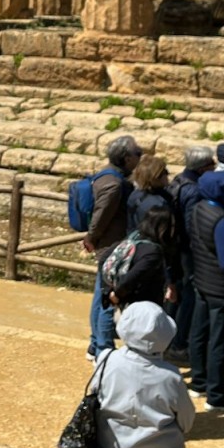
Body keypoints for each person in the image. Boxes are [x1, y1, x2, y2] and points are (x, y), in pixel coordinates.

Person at [94, 301, 196, 448]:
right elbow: (186, 421)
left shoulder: (106, 359)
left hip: (110, 443)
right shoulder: (171, 376)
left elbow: (96, 396)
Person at [187, 170, 224, 411]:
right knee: (219, 341)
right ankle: (216, 394)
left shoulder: (198, 208)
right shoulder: (222, 219)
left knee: (199, 334)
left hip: (201, 281)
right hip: (221, 288)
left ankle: (198, 381)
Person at [84, 135, 143, 361]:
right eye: (138, 154)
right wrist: (91, 237)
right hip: (112, 248)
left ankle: (95, 344)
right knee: (109, 299)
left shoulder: (109, 176)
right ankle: (103, 349)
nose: (140, 157)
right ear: (127, 158)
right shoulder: (115, 183)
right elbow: (101, 214)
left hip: (108, 245)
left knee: (100, 295)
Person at [164, 145, 216, 361]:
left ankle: (166, 337)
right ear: (203, 167)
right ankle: (178, 342)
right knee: (187, 297)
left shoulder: (178, 180)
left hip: (174, 248)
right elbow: (190, 225)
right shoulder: (193, 190)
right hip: (187, 251)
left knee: (175, 293)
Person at [104, 206, 175, 312]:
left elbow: (104, 259)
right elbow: (134, 275)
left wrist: (108, 290)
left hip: (123, 302)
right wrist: (116, 294)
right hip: (139, 307)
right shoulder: (153, 251)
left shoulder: (133, 237)